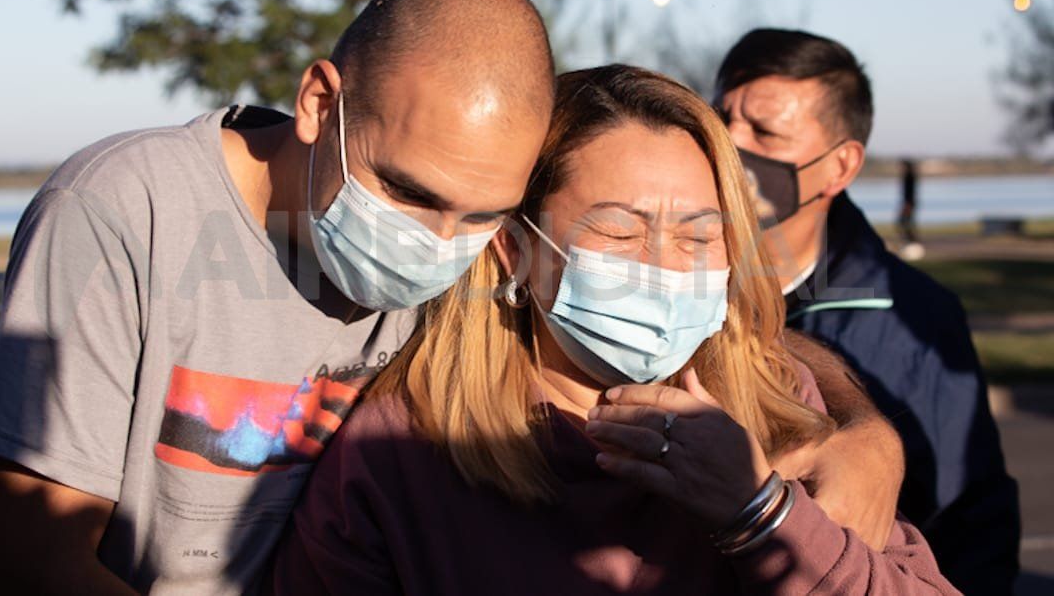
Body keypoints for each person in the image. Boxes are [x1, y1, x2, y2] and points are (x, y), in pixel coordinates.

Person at [0, 0, 557, 594]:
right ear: (320, 105)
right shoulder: (123, 209)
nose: (439, 244)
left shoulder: (477, 263)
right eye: (406, 192)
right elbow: (34, 567)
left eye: (484, 214)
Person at [267, 65, 957, 595]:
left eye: (701, 234)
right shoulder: (401, 452)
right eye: (621, 230)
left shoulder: (776, 402)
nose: (664, 267)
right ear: (515, 250)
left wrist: (763, 514)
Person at [714, 28, 1020, 594]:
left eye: (764, 131)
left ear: (840, 167)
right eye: (721, 116)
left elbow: (968, 520)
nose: (729, 142)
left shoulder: (921, 320)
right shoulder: (672, 282)